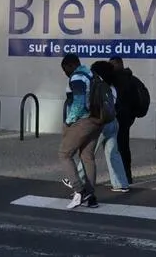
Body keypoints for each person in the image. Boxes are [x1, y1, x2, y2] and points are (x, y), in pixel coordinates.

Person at [75, 61, 129, 192]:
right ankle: (121, 183)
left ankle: (77, 179)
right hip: (112, 121)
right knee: (113, 153)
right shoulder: (113, 87)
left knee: (87, 152)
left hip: (99, 123)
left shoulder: (97, 86)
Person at [58, 53, 103, 209]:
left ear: (71, 65)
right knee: (87, 157)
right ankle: (91, 197)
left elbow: (78, 103)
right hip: (98, 120)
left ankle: (80, 190)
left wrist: (68, 122)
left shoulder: (77, 77)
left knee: (64, 154)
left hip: (84, 121)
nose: (65, 73)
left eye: (65, 69)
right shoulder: (92, 74)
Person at [108, 56, 140, 184]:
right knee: (123, 147)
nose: (111, 68)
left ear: (119, 64)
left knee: (118, 148)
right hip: (126, 118)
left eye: (112, 65)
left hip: (120, 117)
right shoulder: (131, 79)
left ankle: (121, 178)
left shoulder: (118, 80)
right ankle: (126, 176)